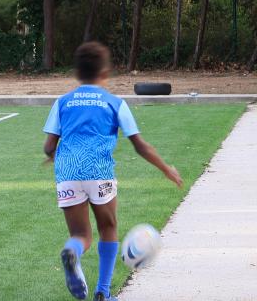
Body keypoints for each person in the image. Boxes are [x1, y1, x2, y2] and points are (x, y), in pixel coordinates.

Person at [43, 42, 182, 301]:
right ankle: (103, 293)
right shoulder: (115, 103)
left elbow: (48, 145)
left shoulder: (61, 102)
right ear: (104, 72)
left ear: (77, 73)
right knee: (109, 227)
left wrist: (54, 156)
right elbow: (139, 145)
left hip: (67, 172)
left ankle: (72, 250)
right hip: (99, 172)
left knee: (80, 235)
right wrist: (166, 168)